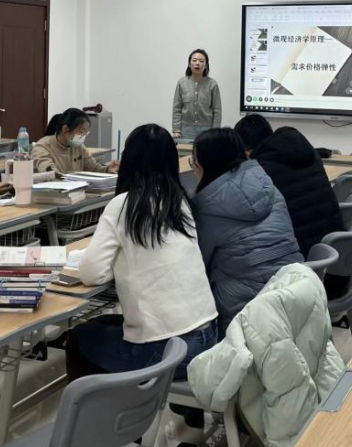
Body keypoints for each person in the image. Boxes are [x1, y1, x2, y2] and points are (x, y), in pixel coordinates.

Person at [70, 124, 218, 381]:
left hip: (167, 352)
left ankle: (95, 406)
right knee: (103, 325)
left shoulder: (123, 205)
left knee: (79, 338)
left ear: (129, 161)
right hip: (207, 338)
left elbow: (91, 274)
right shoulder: (181, 202)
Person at [189, 128, 303, 333]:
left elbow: (198, 267)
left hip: (245, 313)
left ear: (207, 165)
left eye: (194, 163)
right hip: (294, 292)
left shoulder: (207, 209)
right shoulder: (269, 187)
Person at [233, 114, 345, 291]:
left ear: (246, 151)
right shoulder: (311, 155)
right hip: (337, 265)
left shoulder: (262, 171)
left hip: (302, 274)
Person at [32, 108, 119, 174]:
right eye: (81, 132)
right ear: (65, 129)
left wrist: (107, 169)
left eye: (85, 133)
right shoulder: (43, 147)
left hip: (75, 190)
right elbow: (51, 174)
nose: (83, 137)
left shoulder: (78, 147)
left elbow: (93, 168)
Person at [172, 49, 221, 142]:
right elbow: (177, 108)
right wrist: (176, 130)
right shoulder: (182, 83)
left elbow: (217, 111)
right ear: (189, 64)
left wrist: (215, 131)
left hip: (207, 130)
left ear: (206, 65)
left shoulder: (212, 84)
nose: (197, 63)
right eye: (194, 60)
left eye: (201, 61)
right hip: (186, 129)